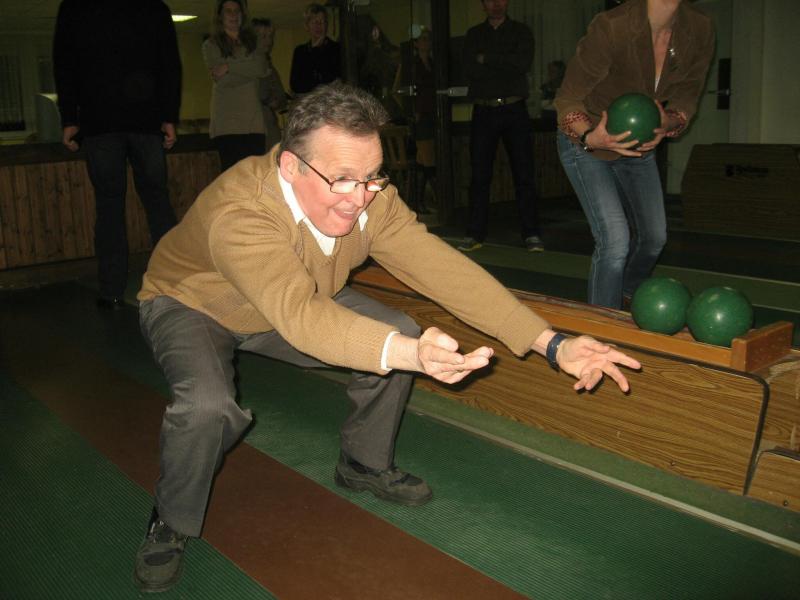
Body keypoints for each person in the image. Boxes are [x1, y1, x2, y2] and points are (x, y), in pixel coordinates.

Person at [133, 82, 641, 593]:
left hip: (295, 298)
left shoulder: (371, 199)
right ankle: (171, 520)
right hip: (194, 303)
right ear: (290, 166)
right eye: (341, 179)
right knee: (206, 405)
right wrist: (410, 356)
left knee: (399, 332)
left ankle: (362, 462)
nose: (358, 199)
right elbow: (301, 317)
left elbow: (442, 269)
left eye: (371, 177)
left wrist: (551, 343)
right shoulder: (241, 212)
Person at [554, 0, 714, 309]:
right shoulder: (612, 26)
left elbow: (688, 93)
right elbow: (568, 97)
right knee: (615, 242)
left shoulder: (699, 28)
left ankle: (627, 292)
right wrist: (590, 136)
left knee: (655, 238)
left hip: (638, 147)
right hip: (587, 141)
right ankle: (603, 326)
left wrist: (670, 121)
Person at [53, 0, 180, 310]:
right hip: (143, 121)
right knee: (157, 204)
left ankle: (111, 291)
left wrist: (70, 118)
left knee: (110, 207)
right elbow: (169, 65)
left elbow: (65, 64)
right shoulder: (153, 8)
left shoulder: (76, 7)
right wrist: (168, 116)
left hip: (101, 122)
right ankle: (176, 284)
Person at [458, 0, 543, 253]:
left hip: (515, 109)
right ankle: (474, 233)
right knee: (479, 175)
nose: (496, 4)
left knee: (524, 174)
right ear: (483, 4)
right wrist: (504, 63)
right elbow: (470, 70)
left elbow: (522, 65)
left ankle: (531, 233)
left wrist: (487, 58)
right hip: (483, 110)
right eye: (490, 0)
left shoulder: (521, 32)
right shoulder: (474, 34)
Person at [203, 0, 269, 172]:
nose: (233, 15)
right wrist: (248, 68)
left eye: (237, 11)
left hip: (253, 122)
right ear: (220, 16)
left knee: (254, 177)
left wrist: (228, 67)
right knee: (232, 178)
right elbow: (224, 81)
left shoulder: (254, 42)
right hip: (226, 124)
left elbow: (260, 68)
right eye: (228, 11)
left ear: (243, 15)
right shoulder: (210, 45)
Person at [394, 25, 436, 214]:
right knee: (427, 160)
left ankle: (418, 202)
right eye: (423, 39)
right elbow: (397, 91)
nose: (427, 42)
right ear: (417, 44)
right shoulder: (410, 66)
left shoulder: (434, 64)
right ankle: (429, 200)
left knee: (423, 161)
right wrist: (411, 112)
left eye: (429, 39)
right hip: (420, 118)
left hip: (434, 116)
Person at [252, 17, 288, 152]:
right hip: (255, 129)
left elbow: (281, 98)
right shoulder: (248, 66)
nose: (268, 41)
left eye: (270, 36)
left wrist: (277, 101)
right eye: (263, 36)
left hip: (270, 127)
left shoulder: (269, 66)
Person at [289, 3, 341, 95]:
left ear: (326, 25)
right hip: (310, 101)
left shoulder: (337, 49)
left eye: (322, 22)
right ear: (307, 26)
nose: (318, 26)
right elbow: (295, 85)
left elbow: (336, 79)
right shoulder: (300, 51)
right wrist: (314, 50)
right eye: (314, 22)